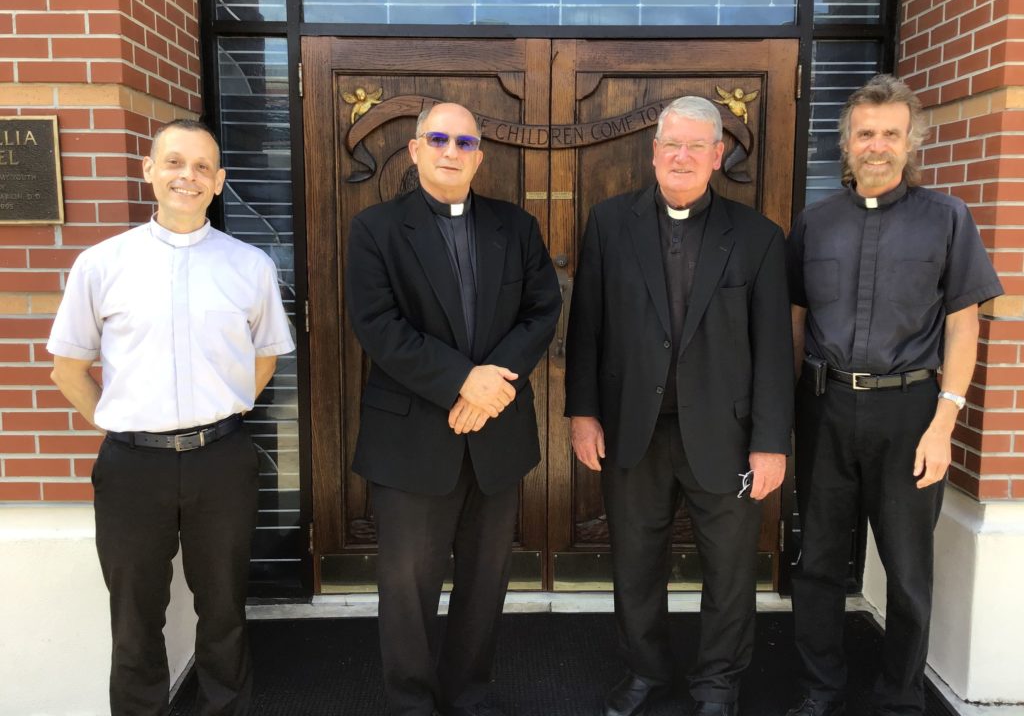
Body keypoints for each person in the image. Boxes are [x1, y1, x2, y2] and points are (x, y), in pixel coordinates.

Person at [47, 119, 295, 716]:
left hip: (222, 461)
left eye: (203, 167)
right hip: (133, 466)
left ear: (219, 182)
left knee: (224, 609)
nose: (189, 176)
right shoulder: (102, 264)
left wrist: (223, 405)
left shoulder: (248, 265)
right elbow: (67, 370)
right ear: (149, 171)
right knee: (134, 617)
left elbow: (265, 355)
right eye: (175, 163)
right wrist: (122, 424)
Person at [565, 96, 794, 716]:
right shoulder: (610, 223)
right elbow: (586, 324)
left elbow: (775, 348)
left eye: (698, 145)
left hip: (727, 434)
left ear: (719, 155)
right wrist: (581, 413)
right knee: (635, 563)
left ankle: (717, 684)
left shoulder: (758, 238)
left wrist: (772, 441)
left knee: (729, 571)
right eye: (672, 144)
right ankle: (645, 672)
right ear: (654, 152)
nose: (683, 156)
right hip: (630, 430)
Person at [785, 75, 1003, 716]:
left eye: (890, 134)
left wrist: (946, 423)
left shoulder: (947, 219)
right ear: (845, 146)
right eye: (864, 134)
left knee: (908, 571)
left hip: (911, 413)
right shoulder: (815, 221)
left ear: (911, 144)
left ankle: (900, 699)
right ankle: (817, 687)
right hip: (824, 407)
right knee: (818, 559)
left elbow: (964, 324)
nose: (876, 146)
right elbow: (795, 319)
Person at [345, 102, 560, 716]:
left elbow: (541, 311)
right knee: (407, 589)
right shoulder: (376, 229)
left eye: (465, 141)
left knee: (485, 582)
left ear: (479, 157)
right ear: (414, 150)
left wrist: (491, 391)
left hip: (497, 434)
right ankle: (411, 703)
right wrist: (464, 381)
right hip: (413, 436)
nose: (451, 150)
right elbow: (378, 327)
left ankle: (468, 696)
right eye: (438, 138)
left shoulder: (514, 226)